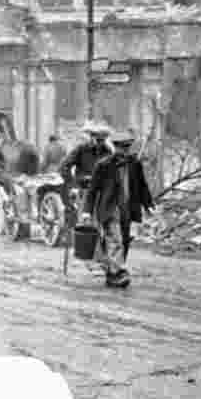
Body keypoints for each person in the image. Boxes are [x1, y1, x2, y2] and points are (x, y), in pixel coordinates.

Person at [82, 131, 154, 288]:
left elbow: (142, 186)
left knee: (125, 241)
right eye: (121, 148)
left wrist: (148, 205)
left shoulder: (135, 164)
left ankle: (111, 273)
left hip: (128, 208)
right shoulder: (103, 165)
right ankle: (119, 272)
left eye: (127, 148)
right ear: (114, 147)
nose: (124, 152)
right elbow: (92, 190)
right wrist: (87, 211)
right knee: (115, 240)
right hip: (110, 209)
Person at [60, 122, 113, 195]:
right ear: (91, 137)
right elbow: (65, 166)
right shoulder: (81, 149)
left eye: (102, 140)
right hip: (83, 188)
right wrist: (73, 183)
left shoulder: (108, 151)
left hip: (101, 189)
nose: (99, 144)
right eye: (98, 140)